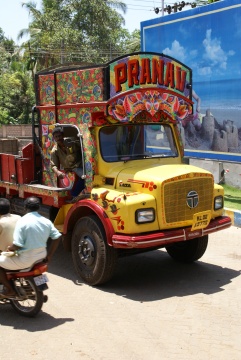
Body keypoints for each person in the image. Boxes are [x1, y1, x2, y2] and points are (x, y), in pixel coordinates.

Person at [0, 196, 62, 298]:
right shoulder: (46, 221)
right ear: (39, 207)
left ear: (25, 208)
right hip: (41, 257)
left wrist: (10, 249)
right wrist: (50, 256)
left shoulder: (22, 221)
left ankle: (10, 290)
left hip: (25, 259)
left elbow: (17, 245)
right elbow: (57, 237)